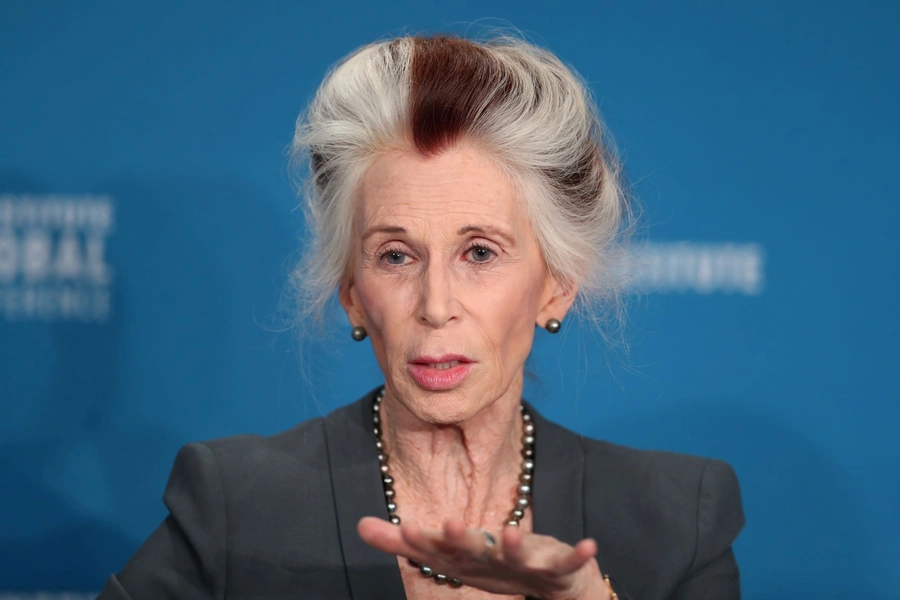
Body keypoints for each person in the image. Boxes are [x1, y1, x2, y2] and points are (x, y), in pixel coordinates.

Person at [97, 33, 744, 600]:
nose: (435, 306)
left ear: (556, 286)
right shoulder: (233, 504)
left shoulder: (677, 519)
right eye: (397, 256)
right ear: (352, 291)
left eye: (480, 253)